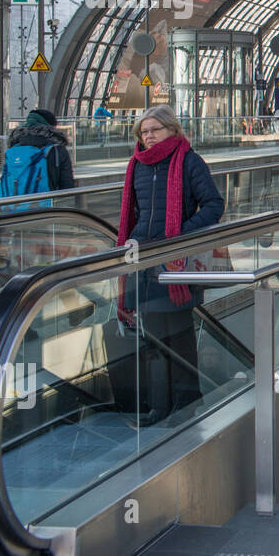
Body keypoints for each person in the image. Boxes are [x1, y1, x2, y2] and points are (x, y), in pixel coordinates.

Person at [117, 105, 225, 425]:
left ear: (172, 130)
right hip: (145, 261)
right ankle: (160, 406)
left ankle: (187, 402)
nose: (149, 137)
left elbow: (213, 204)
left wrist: (181, 236)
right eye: (144, 132)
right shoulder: (136, 166)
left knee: (179, 339)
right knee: (152, 341)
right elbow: (133, 213)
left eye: (155, 130)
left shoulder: (188, 161)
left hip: (177, 264)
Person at [0, 108, 76, 199]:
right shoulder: (56, 149)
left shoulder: (14, 147)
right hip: (46, 208)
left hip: (13, 206)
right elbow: (67, 186)